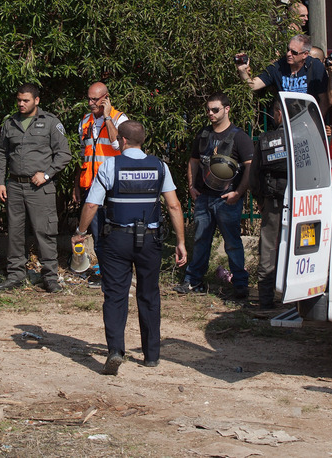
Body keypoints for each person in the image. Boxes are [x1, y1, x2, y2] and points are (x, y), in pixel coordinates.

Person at [71, 120, 187, 375]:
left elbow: (92, 205)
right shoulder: (159, 166)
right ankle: (152, 356)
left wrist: (80, 233)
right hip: (150, 239)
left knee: (115, 295)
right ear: (141, 140)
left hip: (116, 239)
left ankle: (115, 350)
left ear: (122, 141)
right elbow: (174, 205)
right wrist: (180, 242)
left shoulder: (110, 165)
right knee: (149, 294)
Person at [0, 83, 71, 293]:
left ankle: (50, 277)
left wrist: (46, 174)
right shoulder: (10, 123)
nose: (21, 104)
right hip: (15, 186)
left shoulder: (50, 122)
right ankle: (15, 274)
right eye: (19, 100)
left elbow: (64, 153)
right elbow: (1, 152)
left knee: (44, 232)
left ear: (36, 101)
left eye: (25, 100)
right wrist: (1, 181)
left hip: (40, 189)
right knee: (15, 233)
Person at [175, 91, 253, 297]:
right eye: (208, 109)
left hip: (227, 200)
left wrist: (238, 192)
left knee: (233, 243)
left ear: (227, 109)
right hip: (204, 197)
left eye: (215, 109)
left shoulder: (239, 137)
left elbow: (249, 167)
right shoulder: (203, 134)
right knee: (200, 240)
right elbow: (193, 161)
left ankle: (240, 284)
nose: (210, 113)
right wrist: (192, 186)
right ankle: (193, 281)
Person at [74, 81, 129, 288]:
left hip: (114, 186)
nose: (90, 103)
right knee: (97, 235)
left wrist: (106, 118)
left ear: (106, 98)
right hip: (91, 185)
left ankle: (119, 274)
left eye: (95, 99)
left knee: (116, 233)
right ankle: (107, 275)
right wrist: (76, 185)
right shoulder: (85, 121)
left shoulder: (119, 118)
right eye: (88, 98)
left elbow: (118, 145)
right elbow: (82, 155)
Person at [250, 105, 288, 310]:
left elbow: (254, 175)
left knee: (269, 247)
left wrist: (260, 199)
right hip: (302, 204)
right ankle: (295, 299)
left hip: (272, 202)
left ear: (279, 114)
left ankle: (265, 298)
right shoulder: (304, 139)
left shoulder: (266, 140)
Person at [237, 34, 329, 115]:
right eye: (288, 49)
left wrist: (315, 124)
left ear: (305, 54)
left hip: (308, 117)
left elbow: (324, 101)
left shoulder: (315, 66)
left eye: (294, 52)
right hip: (285, 121)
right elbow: (253, 85)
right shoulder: (277, 67)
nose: (288, 54)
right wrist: (242, 70)